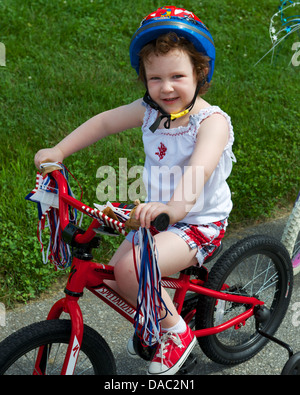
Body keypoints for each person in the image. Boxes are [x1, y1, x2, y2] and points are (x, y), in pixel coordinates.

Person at [34, 6, 235, 375]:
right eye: (155, 78)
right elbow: (105, 122)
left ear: (200, 73)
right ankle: (156, 318)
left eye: (178, 75)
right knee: (118, 270)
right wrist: (58, 151)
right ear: (144, 78)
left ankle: (175, 333)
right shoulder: (148, 110)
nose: (166, 87)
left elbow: (195, 176)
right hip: (158, 214)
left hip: (196, 221)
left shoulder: (212, 123)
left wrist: (172, 210)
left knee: (131, 271)